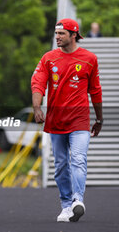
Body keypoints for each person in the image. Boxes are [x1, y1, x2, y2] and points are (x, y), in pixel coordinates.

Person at [31, 18, 103, 223]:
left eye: (61, 34)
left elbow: (96, 91)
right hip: (55, 120)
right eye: (56, 33)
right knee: (61, 165)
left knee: (78, 159)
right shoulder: (48, 58)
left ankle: (77, 200)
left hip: (79, 121)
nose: (57, 37)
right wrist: (37, 107)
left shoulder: (89, 58)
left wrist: (99, 118)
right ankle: (65, 205)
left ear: (74, 35)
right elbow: (37, 83)